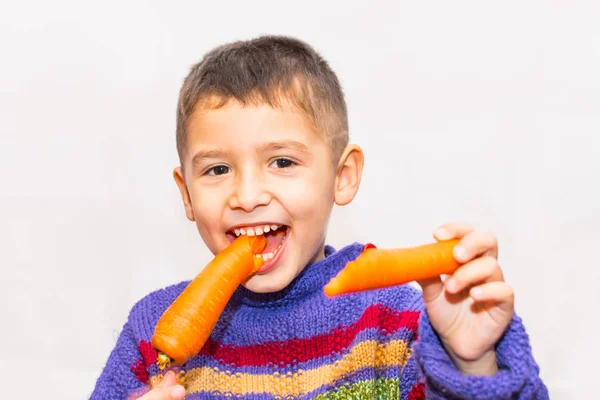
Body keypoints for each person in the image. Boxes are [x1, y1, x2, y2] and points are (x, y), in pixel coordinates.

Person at [91, 35, 549, 399]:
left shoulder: (390, 321)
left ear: (342, 176)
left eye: (282, 162)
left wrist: (472, 362)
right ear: (186, 195)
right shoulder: (151, 331)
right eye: (217, 169)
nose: (247, 196)